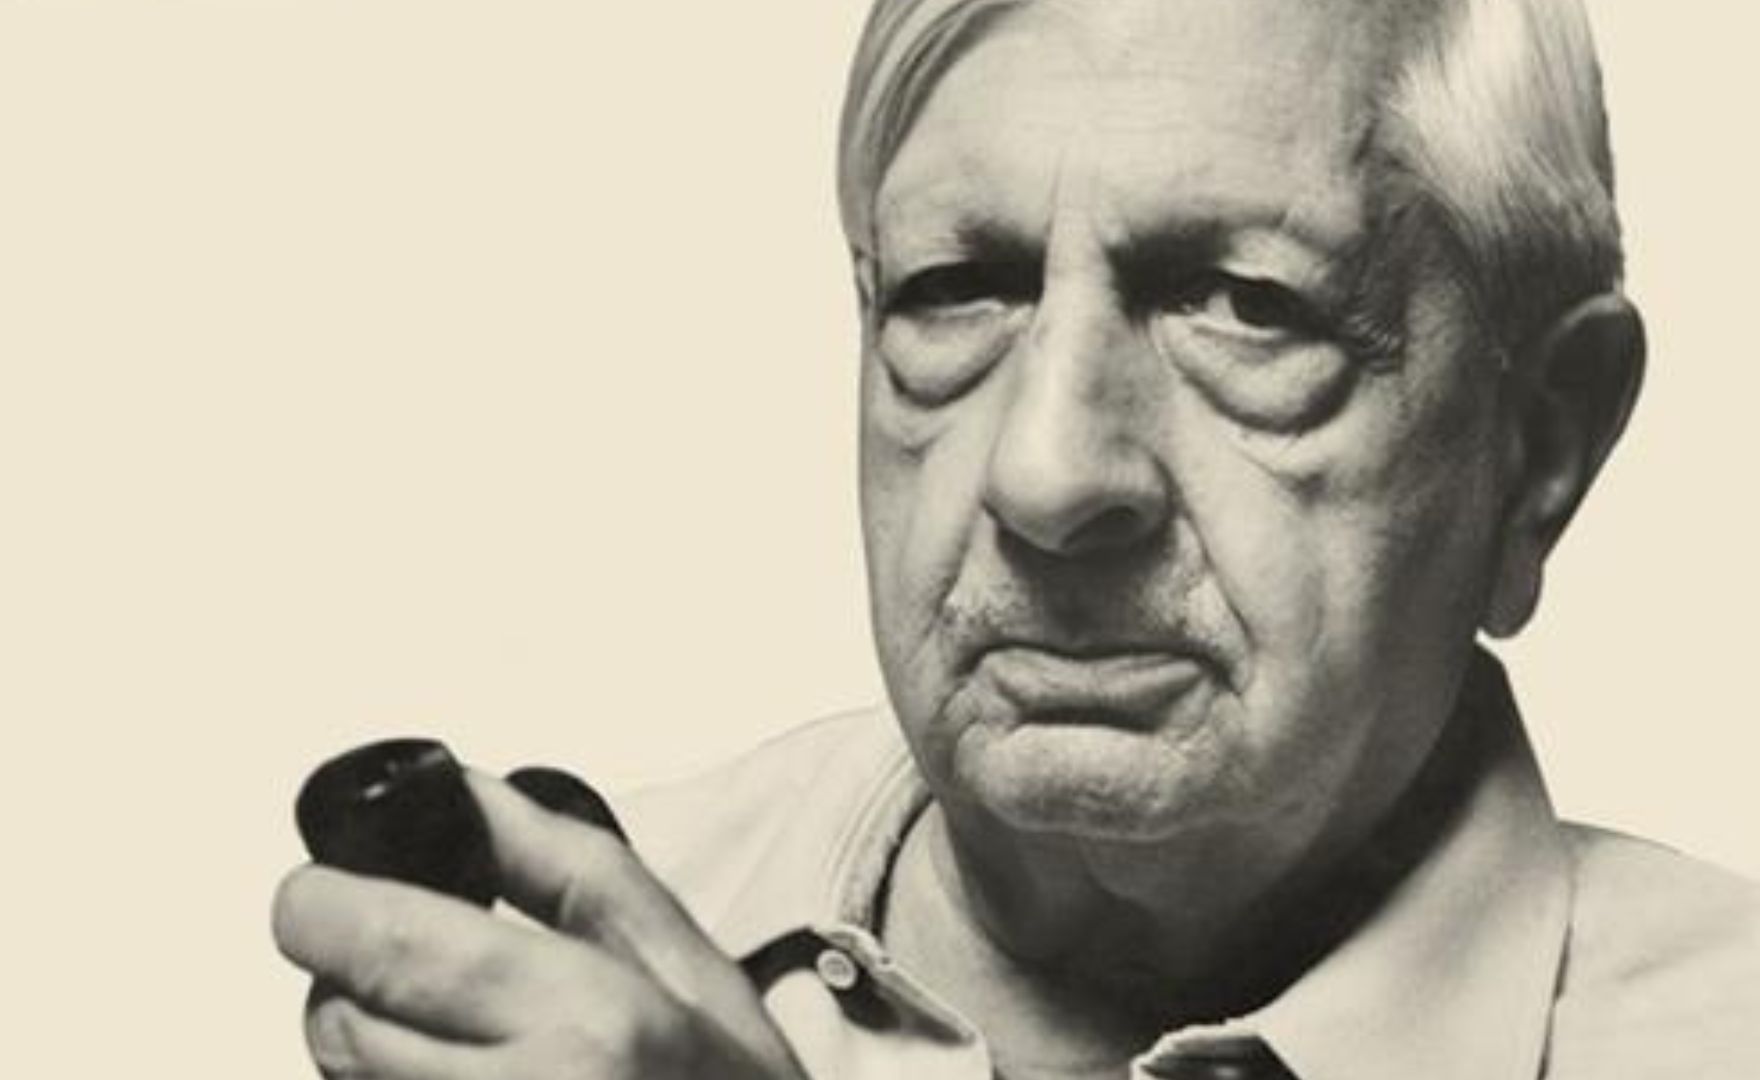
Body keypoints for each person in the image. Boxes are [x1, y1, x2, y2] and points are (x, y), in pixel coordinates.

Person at [271, 0, 1760, 1075]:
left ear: (1541, 450)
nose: (1046, 476)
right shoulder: (567, 974)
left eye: (1245, 304)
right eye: (955, 290)